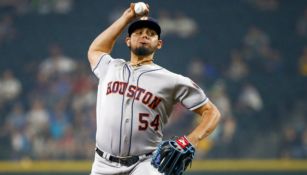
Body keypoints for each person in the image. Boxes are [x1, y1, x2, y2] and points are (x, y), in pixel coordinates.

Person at [87, 3, 221, 175]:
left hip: (145, 164)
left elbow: (212, 113)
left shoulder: (172, 80)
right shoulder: (110, 67)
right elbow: (96, 49)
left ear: (159, 44)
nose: (144, 35)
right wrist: (126, 18)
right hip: (102, 164)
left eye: (151, 34)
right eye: (138, 33)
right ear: (128, 40)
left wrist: (189, 141)